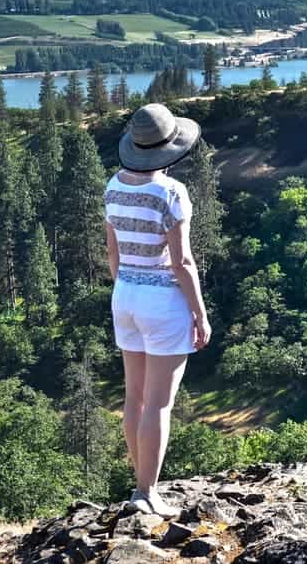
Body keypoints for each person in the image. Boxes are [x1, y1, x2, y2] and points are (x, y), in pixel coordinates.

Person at [105, 103, 213, 516]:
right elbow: (183, 261)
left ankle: (139, 485)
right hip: (162, 300)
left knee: (133, 398)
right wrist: (199, 314)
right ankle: (146, 492)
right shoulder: (170, 192)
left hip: (126, 295)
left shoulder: (113, 185)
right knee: (159, 404)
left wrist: (126, 287)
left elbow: (112, 252)